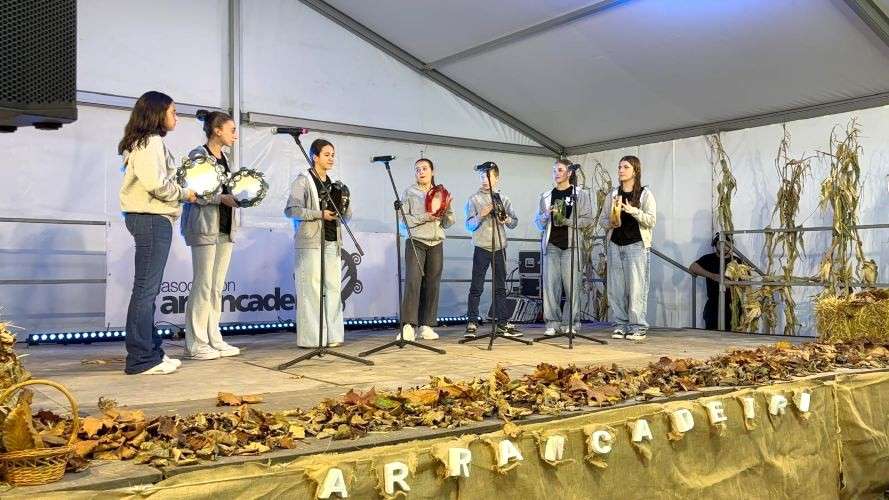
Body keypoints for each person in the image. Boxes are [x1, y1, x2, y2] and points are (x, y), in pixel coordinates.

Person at [118, 91, 196, 375]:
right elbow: (156, 184)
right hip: (151, 219)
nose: (176, 117)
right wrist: (185, 193)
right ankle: (141, 359)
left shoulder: (144, 142)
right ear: (157, 113)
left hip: (149, 218)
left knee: (147, 290)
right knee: (145, 290)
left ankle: (151, 351)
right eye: (173, 111)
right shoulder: (150, 142)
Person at [180, 111, 241, 360]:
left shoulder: (225, 158)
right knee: (203, 284)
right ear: (217, 130)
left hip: (224, 227)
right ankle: (196, 343)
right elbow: (193, 192)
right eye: (232, 130)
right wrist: (221, 198)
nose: (235, 135)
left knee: (216, 287)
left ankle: (213, 337)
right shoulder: (198, 155)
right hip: (204, 227)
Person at [285, 139, 351, 348]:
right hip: (310, 243)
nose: (331, 158)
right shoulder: (303, 180)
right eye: (326, 155)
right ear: (315, 156)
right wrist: (319, 214)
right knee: (311, 290)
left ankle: (333, 335)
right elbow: (291, 210)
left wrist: (345, 206)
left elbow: (346, 216)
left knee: (333, 289)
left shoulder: (335, 185)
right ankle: (312, 338)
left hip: (332, 241)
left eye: (333, 155)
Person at [599, 155, 657, 341]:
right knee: (616, 289)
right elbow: (602, 220)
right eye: (619, 167)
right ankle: (620, 325)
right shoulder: (613, 194)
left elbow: (651, 220)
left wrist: (634, 211)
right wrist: (610, 223)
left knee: (637, 288)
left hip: (636, 246)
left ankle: (637, 326)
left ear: (635, 171)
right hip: (615, 245)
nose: (621, 170)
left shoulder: (645, 194)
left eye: (625, 167)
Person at [534, 159, 593, 337]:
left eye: (560, 170)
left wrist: (567, 221)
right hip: (551, 245)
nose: (556, 174)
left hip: (571, 246)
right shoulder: (546, 196)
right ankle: (552, 322)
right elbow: (538, 223)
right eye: (554, 170)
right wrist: (546, 215)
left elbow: (588, 219)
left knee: (572, 286)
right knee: (551, 287)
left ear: (569, 172)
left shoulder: (580, 194)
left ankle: (570, 322)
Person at [398, 158, 455, 341]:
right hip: (416, 240)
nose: (421, 172)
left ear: (432, 171)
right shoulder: (409, 192)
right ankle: (408, 325)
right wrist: (425, 217)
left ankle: (426, 325)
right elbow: (403, 220)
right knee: (413, 281)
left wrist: (446, 208)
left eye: (424, 168)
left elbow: (448, 222)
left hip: (436, 241)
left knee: (432, 284)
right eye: (417, 169)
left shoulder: (441, 192)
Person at [463, 162, 522, 337]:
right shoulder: (473, 199)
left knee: (500, 287)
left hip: (499, 247)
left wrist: (506, 220)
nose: (485, 180)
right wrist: (481, 215)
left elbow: (514, 222)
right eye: (482, 176)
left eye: (488, 176)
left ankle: (502, 322)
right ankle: (472, 321)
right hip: (482, 246)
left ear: (496, 178)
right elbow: (468, 225)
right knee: (476, 286)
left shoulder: (504, 199)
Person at [689, 233, 740, 330]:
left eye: (727, 244)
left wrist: (731, 285)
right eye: (720, 244)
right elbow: (693, 267)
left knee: (733, 335)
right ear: (715, 245)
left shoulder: (737, 261)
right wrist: (713, 276)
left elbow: (746, 283)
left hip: (733, 307)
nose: (724, 247)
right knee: (712, 334)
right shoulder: (708, 258)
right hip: (713, 307)